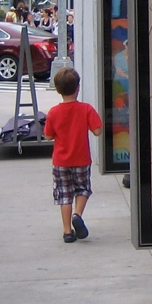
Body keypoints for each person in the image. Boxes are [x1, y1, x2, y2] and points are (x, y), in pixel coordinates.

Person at [43, 68, 103, 244]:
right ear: (78, 87)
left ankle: (67, 231)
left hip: (61, 161)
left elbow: (48, 136)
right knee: (83, 189)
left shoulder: (53, 112)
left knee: (64, 195)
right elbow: (98, 131)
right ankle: (78, 214)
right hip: (82, 159)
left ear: (58, 89)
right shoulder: (86, 109)